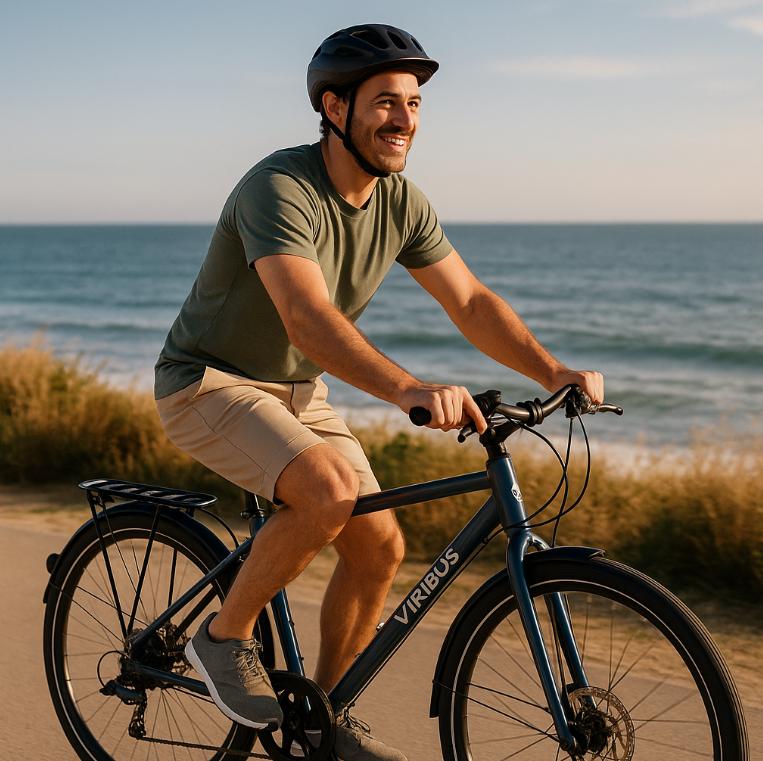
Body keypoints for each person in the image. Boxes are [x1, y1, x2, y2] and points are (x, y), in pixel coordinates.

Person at [154, 23, 604, 761]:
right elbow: (307, 315)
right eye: (385, 102)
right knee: (328, 491)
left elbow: (469, 301)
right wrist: (407, 389)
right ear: (335, 109)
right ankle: (221, 635)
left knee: (378, 548)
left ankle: (316, 728)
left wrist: (550, 371)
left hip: (298, 391)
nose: (403, 119)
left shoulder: (401, 201)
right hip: (209, 382)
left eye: (414, 103)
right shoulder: (279, 187)